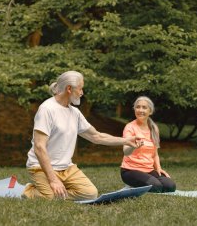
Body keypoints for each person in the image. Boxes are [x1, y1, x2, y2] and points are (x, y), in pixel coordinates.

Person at [22, 71, 142, 201]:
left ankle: (57, 193)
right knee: (49, 198)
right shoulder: (47, 109)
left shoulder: (75, 112)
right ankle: (30, 192)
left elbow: (96, 136)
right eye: (80, 88)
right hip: (41, 167)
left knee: (90, 193)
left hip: (66, 168)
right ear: (69, 88)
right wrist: (53, 180)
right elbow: (39, 147)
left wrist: (126, 140)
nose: (82, 92)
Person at [120, 96, 176, 193]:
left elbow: (155, 154)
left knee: (170, 186)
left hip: (148, 170)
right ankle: (130, 185)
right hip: (130, 171)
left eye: (144, 107)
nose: (140, 110)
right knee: (156, 186)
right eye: (138, 107)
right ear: (134, 109)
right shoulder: (129, 127)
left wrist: (158, 169)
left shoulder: (154, 129)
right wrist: (133, 146)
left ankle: (141, 183)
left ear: (150, 111)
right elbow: (126, 151)